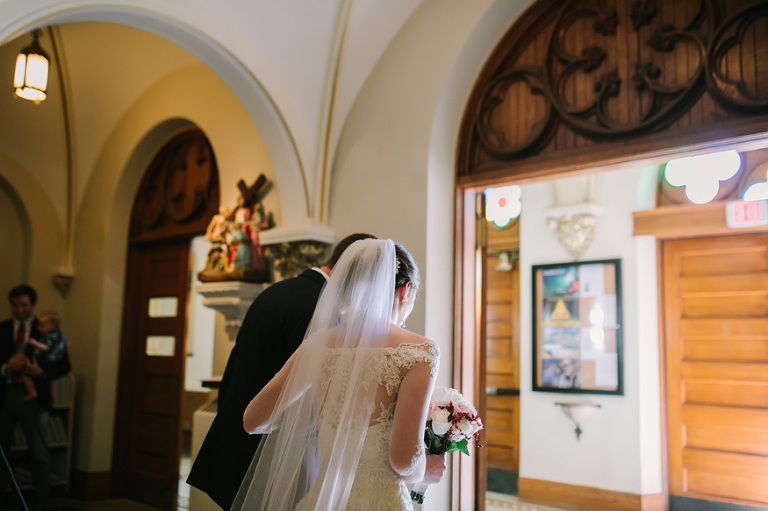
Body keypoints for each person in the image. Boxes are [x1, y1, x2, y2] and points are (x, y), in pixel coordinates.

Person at [232, 239, 447, 511]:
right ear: (404, 291)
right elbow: (404, 462)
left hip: (322, 501)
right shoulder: (419, 352)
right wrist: (426, 469)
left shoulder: (318, 344)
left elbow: (252, 420)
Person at [187, 233, 376, 510]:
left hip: (235, 441)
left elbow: (237, 365)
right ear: (356, 276)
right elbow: (310, 397)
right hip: (268, 457)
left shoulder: (277, 291)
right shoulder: (320, 312)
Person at [0, 286, 71, 510]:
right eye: (15, 305)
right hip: (4, 394)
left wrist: (41, 373)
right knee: (2, 451)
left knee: (39, 451)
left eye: (24, 305)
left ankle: (40, 503)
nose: (19, 310)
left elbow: (64, 365)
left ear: (33, 305)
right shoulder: (2, 329)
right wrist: (5, 368)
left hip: (33, 397)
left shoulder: (46, 330)